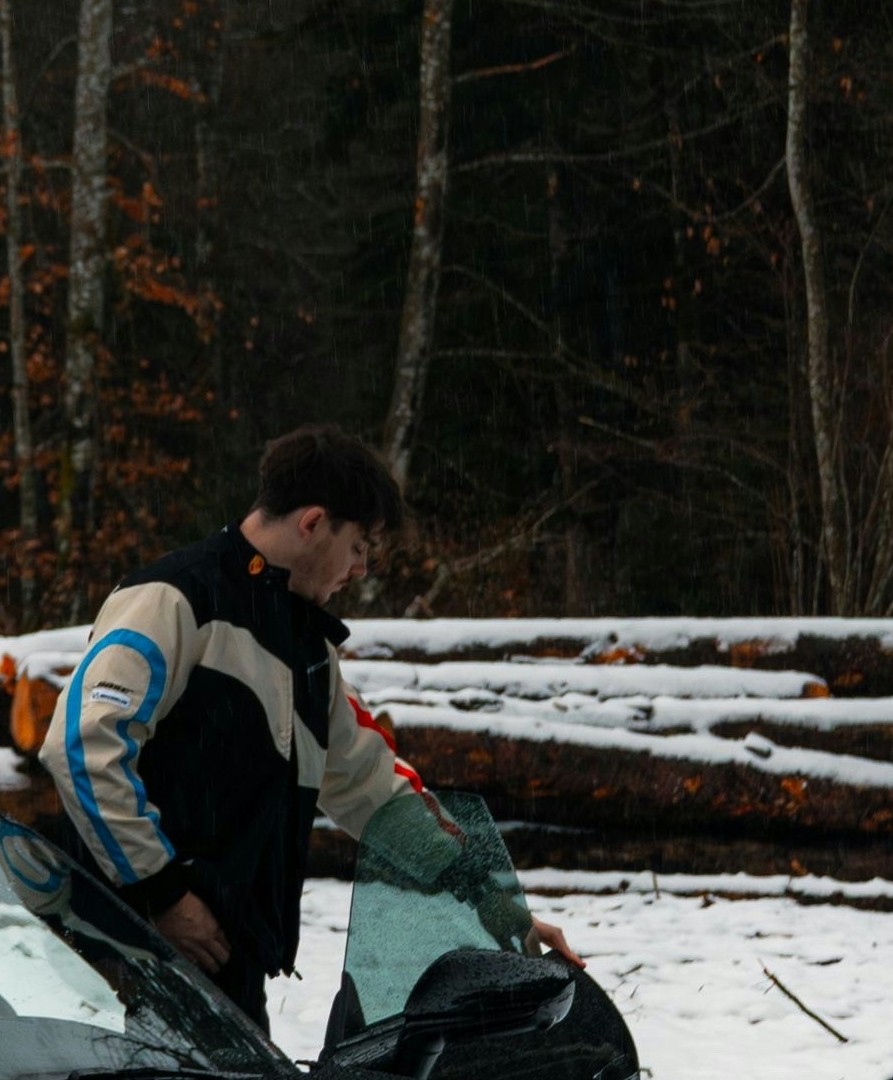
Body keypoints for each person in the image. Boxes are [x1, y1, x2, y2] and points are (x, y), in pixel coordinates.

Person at [54, 422, 580, 1011]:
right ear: (311, 523)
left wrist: (502, 909)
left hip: (224, 970)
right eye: (359, 547)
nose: (360, 570)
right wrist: (162, 894)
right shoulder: (172, 599)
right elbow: (83, 746)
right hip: (115, 965)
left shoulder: (306, 649)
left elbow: (376, 789)